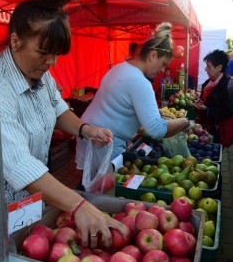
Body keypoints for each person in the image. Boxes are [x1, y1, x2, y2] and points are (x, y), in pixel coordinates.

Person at [0, 0, 128, 248]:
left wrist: (86, 130)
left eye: (57, 54)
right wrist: (78, 204)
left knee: (27, 250)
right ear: (15, 41)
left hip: (29, 200)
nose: (52, 62)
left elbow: (57, 110)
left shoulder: (41, 74)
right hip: (4, 204)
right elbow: (19, 164)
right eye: (44, 53)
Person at [76, 22, 190, 173]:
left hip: (90, 134)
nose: (163, 70)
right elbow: (156, 129)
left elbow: (121, 104)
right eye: (163, 64)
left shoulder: (120, 67)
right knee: (103, 190)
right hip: (103, 142)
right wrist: (185, 121)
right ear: (153, 55)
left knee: (90, 182)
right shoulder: (140, 82)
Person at [194, 49, 233, 143]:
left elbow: (228, 110)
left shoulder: (228, 84)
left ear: (219, 67)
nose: (206, 69)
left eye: (208, 66)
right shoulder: (208, 82)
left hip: (218, 132)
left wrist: (206, 109)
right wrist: (200, 100)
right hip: (206, 129)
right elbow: (206, 99)